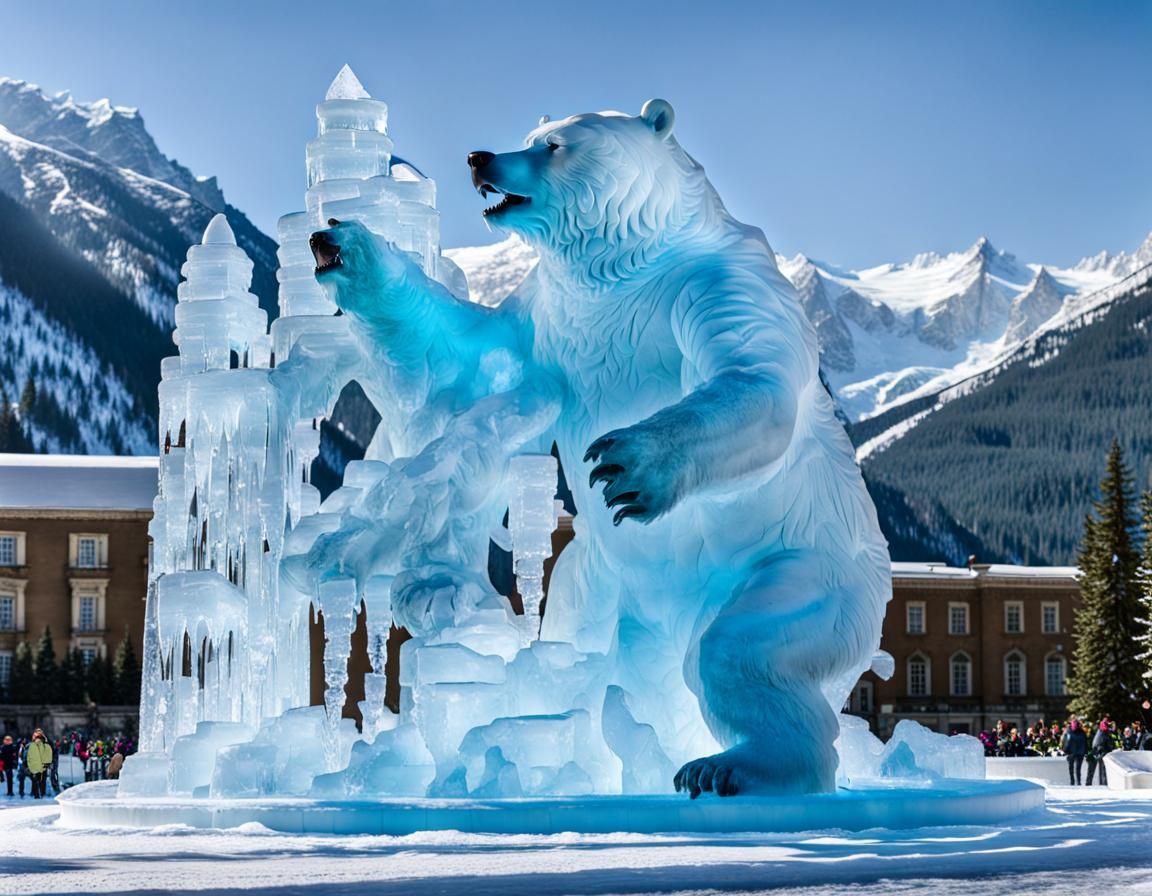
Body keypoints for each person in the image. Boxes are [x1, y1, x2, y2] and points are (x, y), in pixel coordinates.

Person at [25, 729, 53, 799]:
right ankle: (37, 794)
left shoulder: (45, 742)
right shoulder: (33, 743)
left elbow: (48, 752)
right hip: (36, 764)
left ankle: (41, 793)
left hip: (42, 764)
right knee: (36, 780)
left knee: (41, 780)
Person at [1062, 718, 1089, 785]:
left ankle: (1072, 781)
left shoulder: (1068, 732)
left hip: (1071, 753)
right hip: (1080, 753)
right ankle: (1078, 782)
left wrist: (1065, 751)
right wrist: (1085, 751)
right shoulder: (1082, 732)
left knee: (1071, 768)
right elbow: (1085, 742)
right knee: (1078, 769)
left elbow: (1066, 742)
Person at [1087, 720, 1113, 786]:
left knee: (1101, 770)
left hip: (1100, 753)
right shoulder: (1102, 733)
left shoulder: (1103, 732)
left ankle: (1103, 783)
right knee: (1101, 770)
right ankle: (1103, 783)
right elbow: (1097, 744)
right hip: (1100, 753)